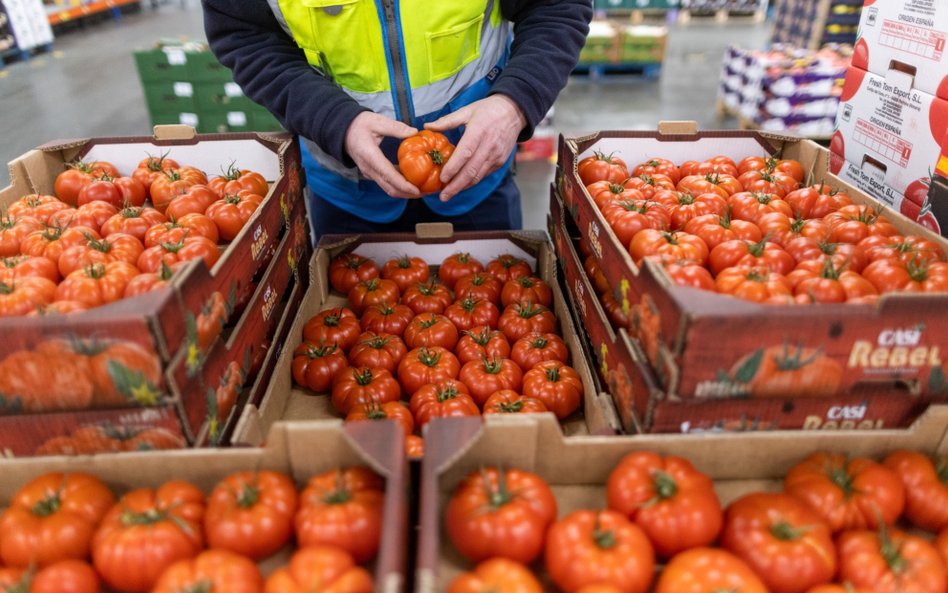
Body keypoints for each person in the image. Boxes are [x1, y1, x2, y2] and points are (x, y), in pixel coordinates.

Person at [201, 0, 592, 239]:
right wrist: (335, 120)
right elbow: (245, 36)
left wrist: (514, 103)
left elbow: (556, 5)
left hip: (478, 176)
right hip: (345, 190)